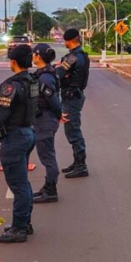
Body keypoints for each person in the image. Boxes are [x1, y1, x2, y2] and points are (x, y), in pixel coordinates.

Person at [0, 44, 38, 243]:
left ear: (13, 62)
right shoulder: (32, 81)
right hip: (28, 132)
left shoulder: (11, 86)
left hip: (14, 138)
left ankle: (18, 229)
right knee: (23, 183)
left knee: (18, 185)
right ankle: (24, 223)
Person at [57, 28, 91, 178]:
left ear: (69, 40)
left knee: (73, 130)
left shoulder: (72, 57)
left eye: (65, 40)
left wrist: (56, 68)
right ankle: (77, 162)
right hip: (74, 95)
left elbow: (59, 74)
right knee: (72, 129)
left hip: (72, 97)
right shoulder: (81, 55)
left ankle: (81, 165)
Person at [31, 44, 62, 203]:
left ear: (39, 56)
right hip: (43, 118)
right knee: (46, 153)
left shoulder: (45, 77)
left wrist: (58, 115)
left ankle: (51, 190)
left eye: (34, 53)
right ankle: (48, 186)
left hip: (46, 120)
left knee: (47, 155)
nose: (32, 56)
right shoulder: (43, 73)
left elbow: (53, 100)